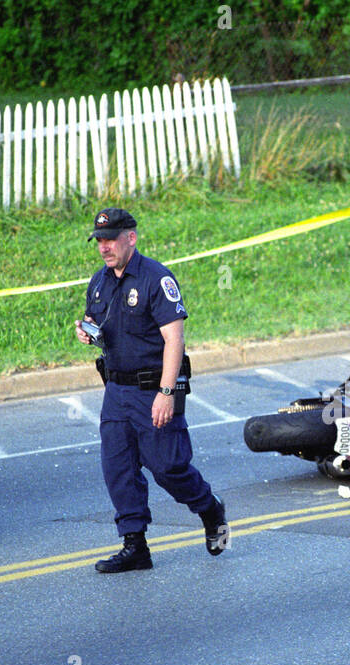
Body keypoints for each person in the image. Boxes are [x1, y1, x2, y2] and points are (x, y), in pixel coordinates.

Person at [75, 207, 228, 572]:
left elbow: (175, 340)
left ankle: (210, 507)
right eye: (99, 240)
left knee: (168, 468)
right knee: (118, 467)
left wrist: (166, 392)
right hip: (116, 390)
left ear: (132, 237)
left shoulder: (156, 278)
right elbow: (96, 321)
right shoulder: (99, 280)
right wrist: (85, 331)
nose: (104, 247)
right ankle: (135, 546)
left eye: (111, 239)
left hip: (152, 389)